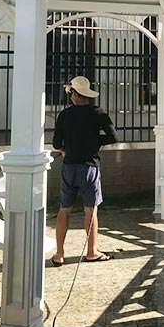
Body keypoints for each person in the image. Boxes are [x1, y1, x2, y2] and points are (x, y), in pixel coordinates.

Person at [51, 75, 118, 266]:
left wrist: (66, 149)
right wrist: (94, 141)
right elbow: (113, 137)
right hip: (90, 167)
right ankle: (91, 252)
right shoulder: (98, 113)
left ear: (74, 94)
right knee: (90, 210)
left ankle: (59, 254)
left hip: (69, 167)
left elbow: (56, 143)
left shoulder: (64, 115)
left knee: (64, 209)